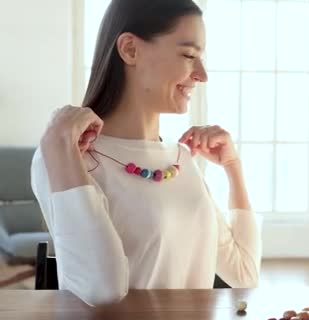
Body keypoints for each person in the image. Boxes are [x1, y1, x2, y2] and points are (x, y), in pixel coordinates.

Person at [31, 0, 261, 306]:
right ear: (130, 49)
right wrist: (59, 150)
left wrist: (233, 167)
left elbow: (244, 273)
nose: (202, 75)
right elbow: (102, 289)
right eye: (189, 55)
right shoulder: (64, 157)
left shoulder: (181, 159)